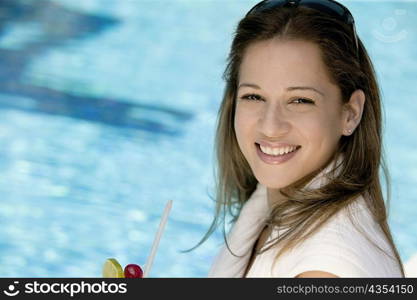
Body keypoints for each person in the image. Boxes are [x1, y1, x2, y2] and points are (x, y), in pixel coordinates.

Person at [192, 0, 405, 277]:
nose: (270, 127)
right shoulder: (272, 207)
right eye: (254, 96)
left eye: (300, 100)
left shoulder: (324, 269)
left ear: (350, 113)